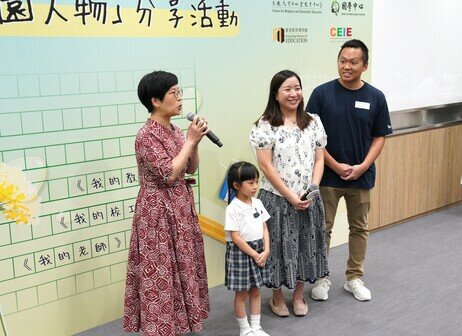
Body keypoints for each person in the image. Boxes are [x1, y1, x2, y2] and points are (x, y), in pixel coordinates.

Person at [123, 70, 210, 335]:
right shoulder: (146, 135)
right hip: (157, 212)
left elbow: (190, 169)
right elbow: (167, 174)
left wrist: (193, 144)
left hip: (180, 207)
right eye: (174, 93)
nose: (180, 98)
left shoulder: (174, 130)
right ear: (156, 101)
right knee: (160, 270)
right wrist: (190, 140)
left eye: (179, 92)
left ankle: (180, 324)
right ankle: (159, 328)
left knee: (182, 265)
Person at [306, 39, 393, 302]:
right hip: (328, 176)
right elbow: (312, 137)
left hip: (362, 176)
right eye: (343, 60)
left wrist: (363, 166)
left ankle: (354, 278)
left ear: (364, 66)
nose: (346, 66)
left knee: (359, 228)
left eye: (353, 62)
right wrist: (334, 164)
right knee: (323, 228)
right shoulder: (321, 94)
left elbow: (380, 136)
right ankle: (322, 277)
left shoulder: (375, 97)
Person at [250, 70, 329, 317]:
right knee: (277, 249)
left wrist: (312, 190)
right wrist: (291, 197)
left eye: (297, 88)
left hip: (308, 198)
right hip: (276, 199)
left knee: (306, 244)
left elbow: (319, 159)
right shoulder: (265, 125)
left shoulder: (313, 121)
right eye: (287, 89)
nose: (294, 93)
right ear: (275, 94)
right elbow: (266, 166)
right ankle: (276, 297)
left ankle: (297, 295)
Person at [224, 161, 271, 336]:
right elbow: (235, 238)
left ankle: (256, 327)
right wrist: (254, 254)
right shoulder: (233, 208)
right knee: (242, 295)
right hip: (241, 254)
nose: (255, 186)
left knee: (256, 291)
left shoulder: (258, 202)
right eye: (250, 183)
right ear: (237, 185)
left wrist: (265, 250)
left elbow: (265, 228)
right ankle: (244, 330)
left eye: (257, 182)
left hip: (259, 251)